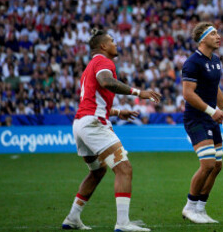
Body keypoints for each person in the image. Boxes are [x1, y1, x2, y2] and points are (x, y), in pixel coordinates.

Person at [62, 28, 161, 232]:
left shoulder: (90, 66)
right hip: (93, 124)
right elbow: (106, 82)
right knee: (124, 169)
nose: (116, 44)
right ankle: (123, 223)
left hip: (81, 123)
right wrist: (138, 92)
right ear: (103, 46)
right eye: (112, 41)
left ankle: (72, 217)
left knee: (97, 171)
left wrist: (116, 111)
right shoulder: (103, 62)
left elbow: (93, 98)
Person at [181, 23, 223, 224]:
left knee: (216, 166)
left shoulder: (215, 60)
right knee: (207, 164)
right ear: (203, 39)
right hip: (196, 118)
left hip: (212, 118)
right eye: (213, 33)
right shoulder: (192, 62)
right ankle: (189, 207)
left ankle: (200, 209)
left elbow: (215, 88)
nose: (218, 36)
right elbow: (188, 93)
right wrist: (211, 110)